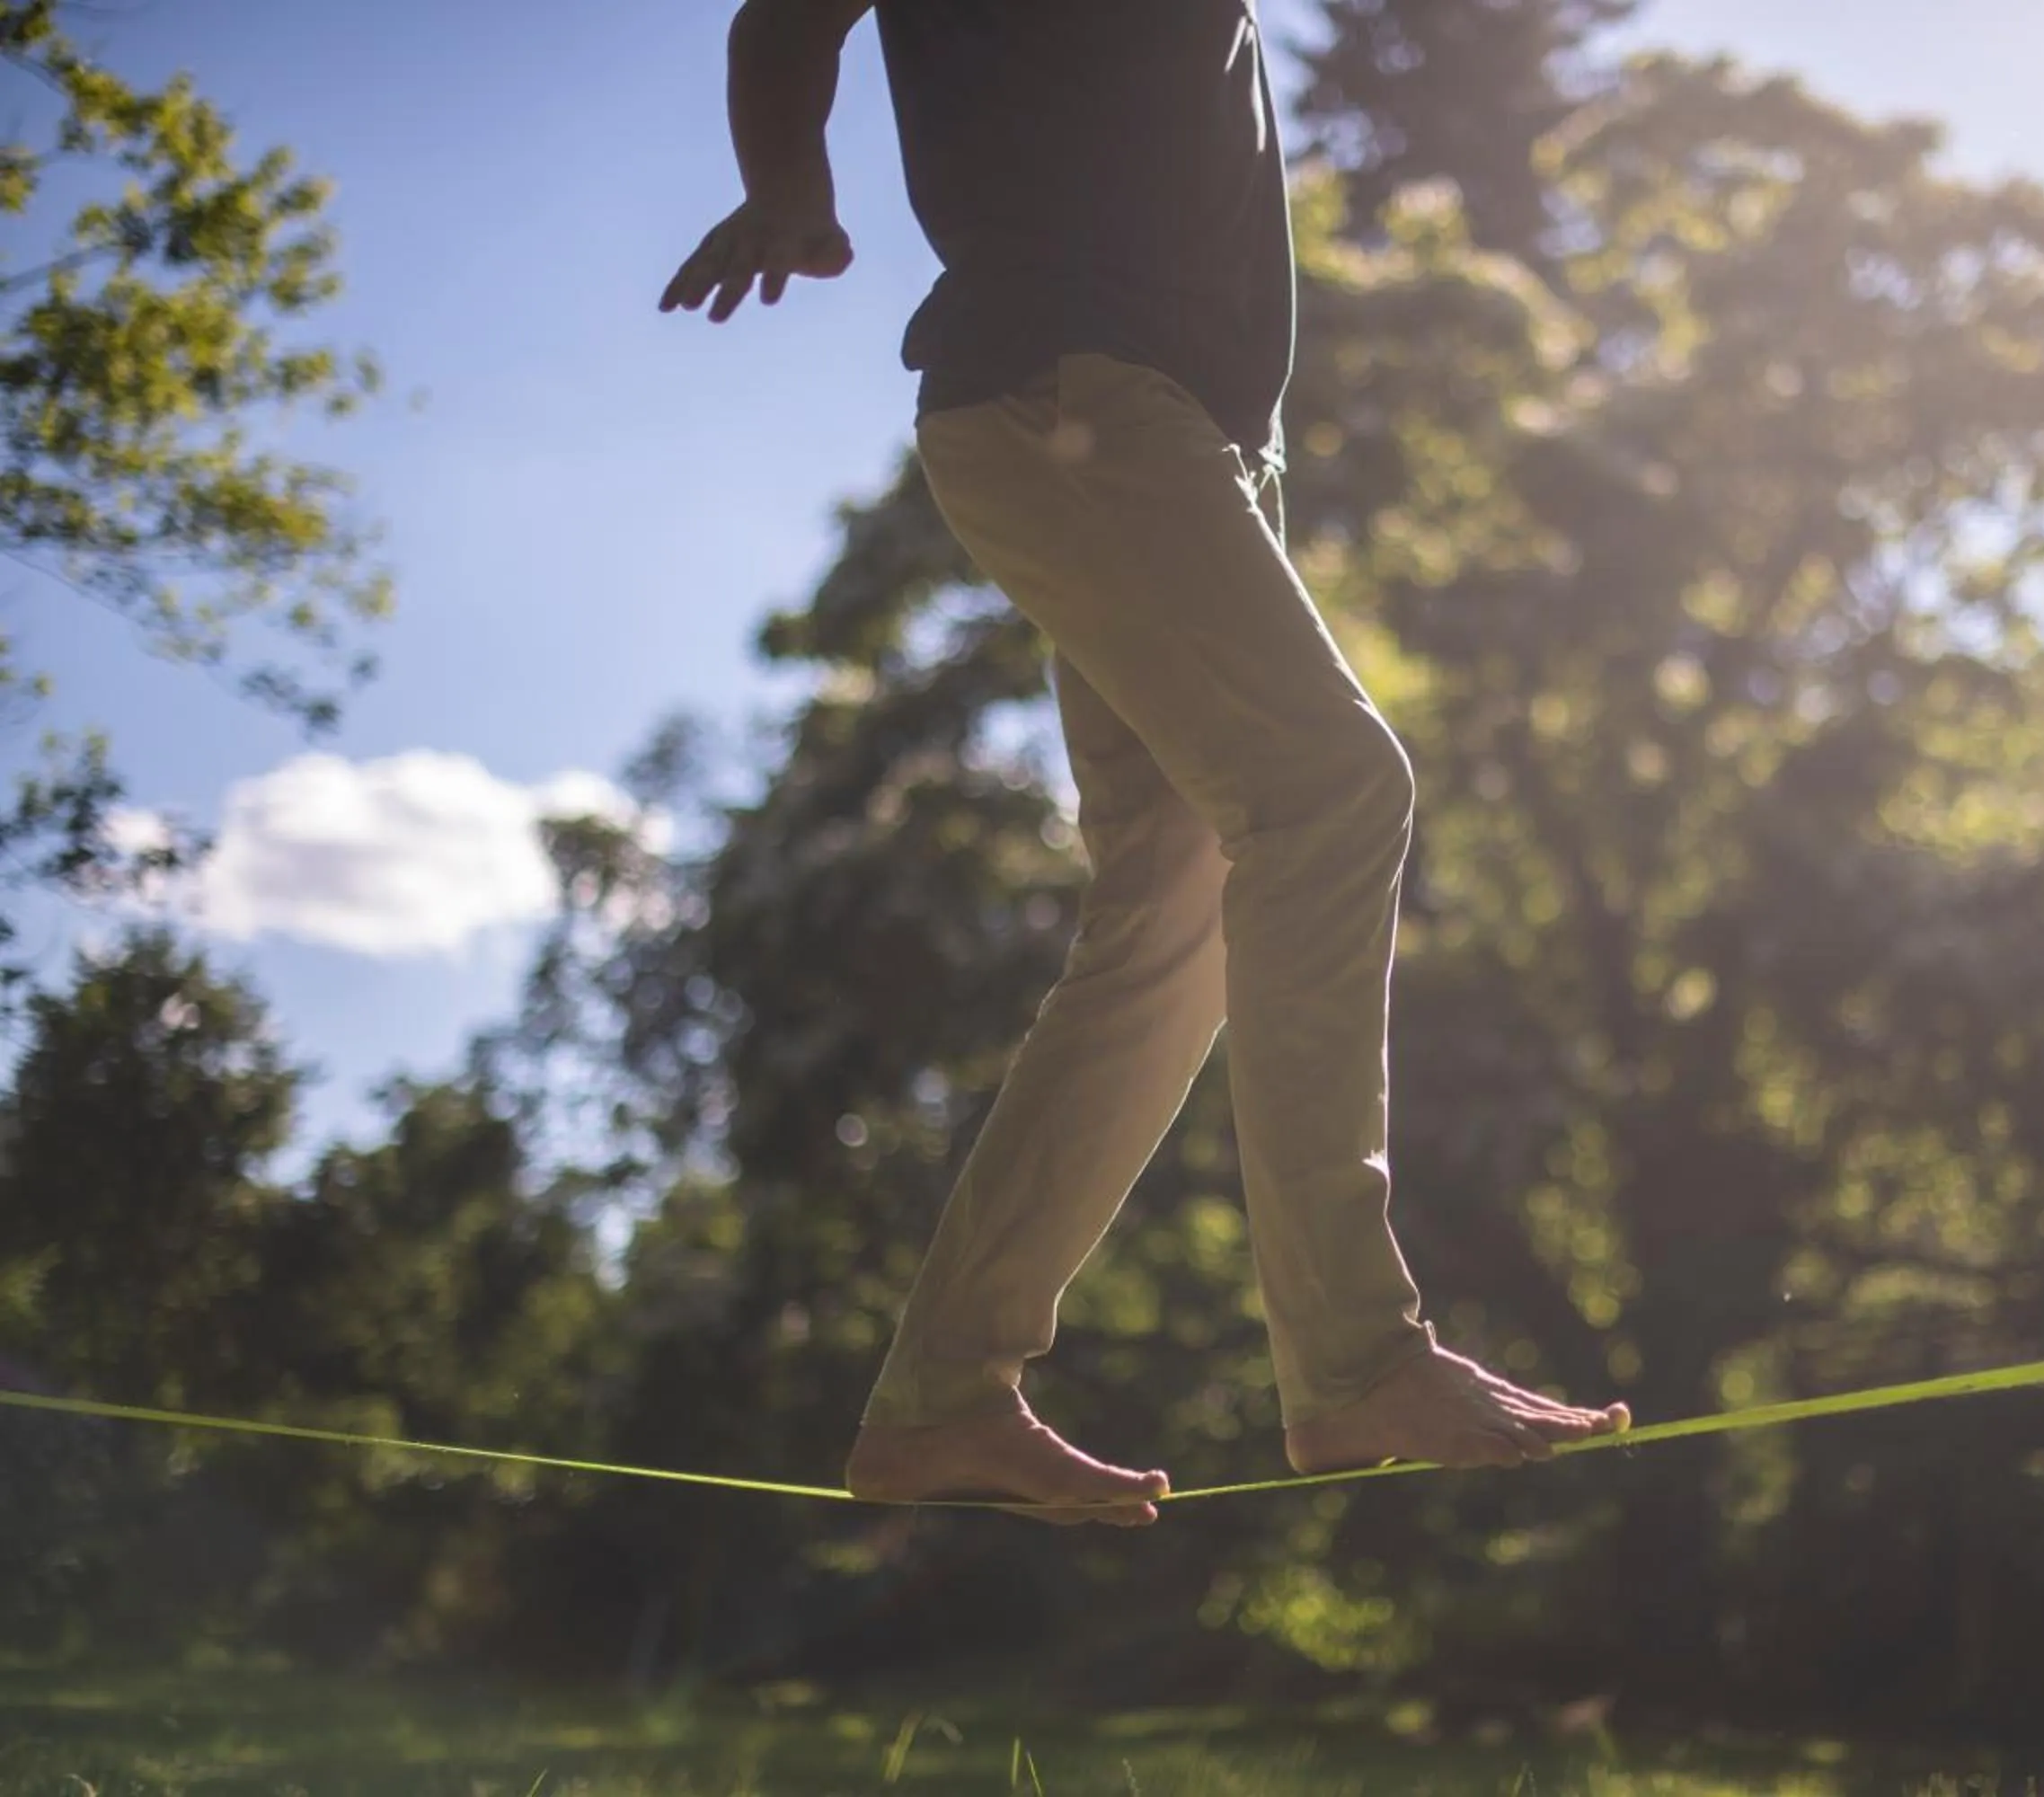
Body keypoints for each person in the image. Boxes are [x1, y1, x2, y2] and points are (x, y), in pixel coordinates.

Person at [660, 0, 1629, 1526]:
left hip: (1177, 432)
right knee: (1333, 794)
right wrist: (791, 187)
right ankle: (1359, 1353)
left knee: (1176, 910)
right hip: (1075, 394)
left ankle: (943, 1395)